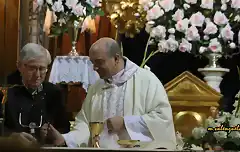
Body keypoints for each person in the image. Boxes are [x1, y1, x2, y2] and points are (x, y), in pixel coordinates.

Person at [22, 38, 176, 149]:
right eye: (92, 62)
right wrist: (64, 139)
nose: (94, 68)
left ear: (116, 59)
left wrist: (125, 123)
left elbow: (163, 119)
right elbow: (84, 124)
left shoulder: (146, 80)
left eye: (99, 62)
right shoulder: (96, 88)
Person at [0, 43, 70, 142]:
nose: (37, 75)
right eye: (32, 68)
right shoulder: (4, 90)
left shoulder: (54, 93)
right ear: (19, 66)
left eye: (42, 69)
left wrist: (52, 134)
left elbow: (64, 129)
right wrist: (11, 138)